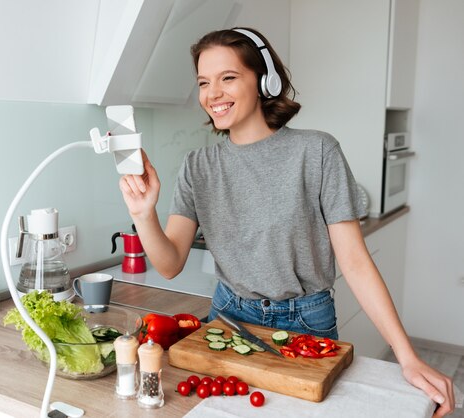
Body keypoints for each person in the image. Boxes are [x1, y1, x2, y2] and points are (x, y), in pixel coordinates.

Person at [118, 27, 454, 416]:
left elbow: (355, 262)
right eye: (204, 82)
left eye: (228, 78)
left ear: (265, 81)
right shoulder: (199, 166)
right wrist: (143, 214)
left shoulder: (316, 151)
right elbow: (170, 263)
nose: (213, 94)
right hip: (228, 319)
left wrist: (406, 356)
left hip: (306, 322)